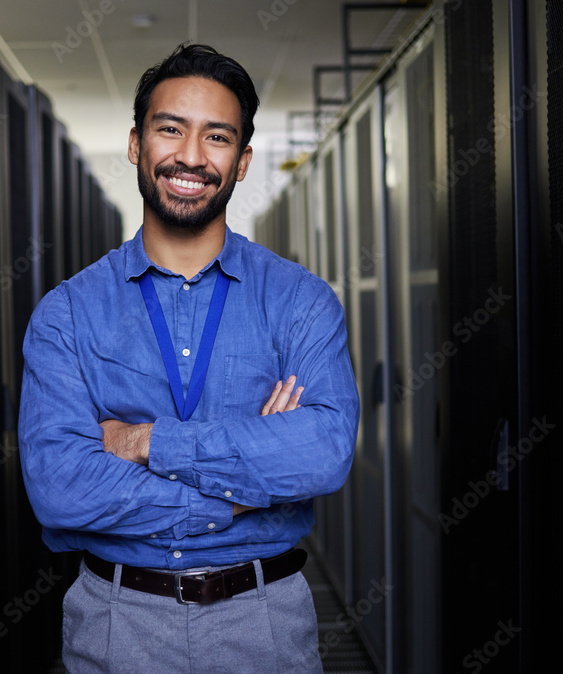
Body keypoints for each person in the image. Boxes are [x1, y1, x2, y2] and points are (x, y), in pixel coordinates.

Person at [18, 43, 359, 673]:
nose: (192, 156)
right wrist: (245, 487)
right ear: (135, 144)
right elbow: (59, 488)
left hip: (264, 621)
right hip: (118, 623)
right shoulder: (66, 314)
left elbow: (322, 451)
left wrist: (144, 442)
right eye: (170, 129)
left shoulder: (301, 302)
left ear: (243, 160)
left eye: (218, 136)